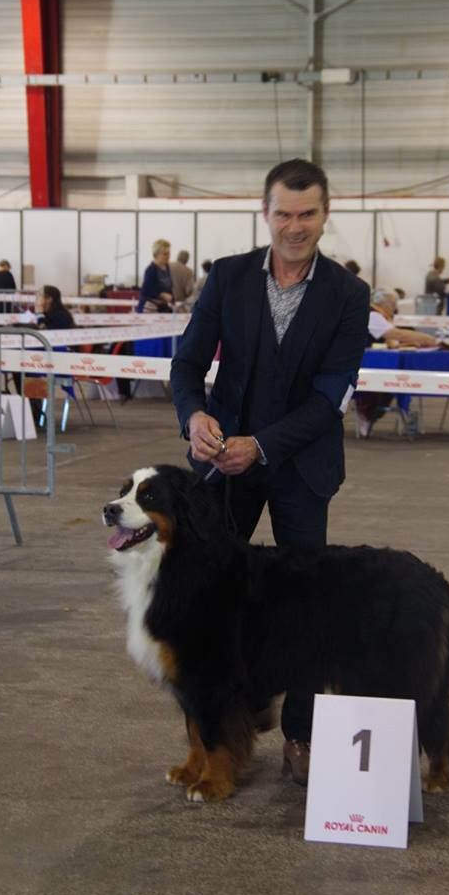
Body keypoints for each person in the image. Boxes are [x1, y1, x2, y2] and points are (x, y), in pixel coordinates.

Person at [170, 158, 370, 786]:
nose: (295, 226)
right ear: (265, 213)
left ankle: (302, 740)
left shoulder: (348, 294)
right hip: (223, 468)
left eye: (307, 214)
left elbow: (328, 398)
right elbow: (186, 367)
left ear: (325, 215)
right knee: (208, 603)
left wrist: (262, 445)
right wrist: (194, 417)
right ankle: (214, 731)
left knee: (305, 610)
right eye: (283, 213)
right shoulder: (227, 278)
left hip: (301, 469)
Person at [354, 287, 438, 438]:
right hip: (365, 363)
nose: (395, 308)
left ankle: (369, 415)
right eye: (393, 304)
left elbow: (390, 342)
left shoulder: (380, 316)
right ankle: (366, 414)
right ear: (383, 303)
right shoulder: (373, 315)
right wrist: (425, 338)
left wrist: (410, 343)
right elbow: (394, 334)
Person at [137, 239, 174, 312]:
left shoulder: (167, 268)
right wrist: (162, 294)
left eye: (169, 253)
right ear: (157, 254)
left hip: (162, 307)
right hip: (149, 308)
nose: (168, 256)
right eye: (165, 254)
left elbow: (169, 288)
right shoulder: (150, 270)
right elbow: (146, 290)